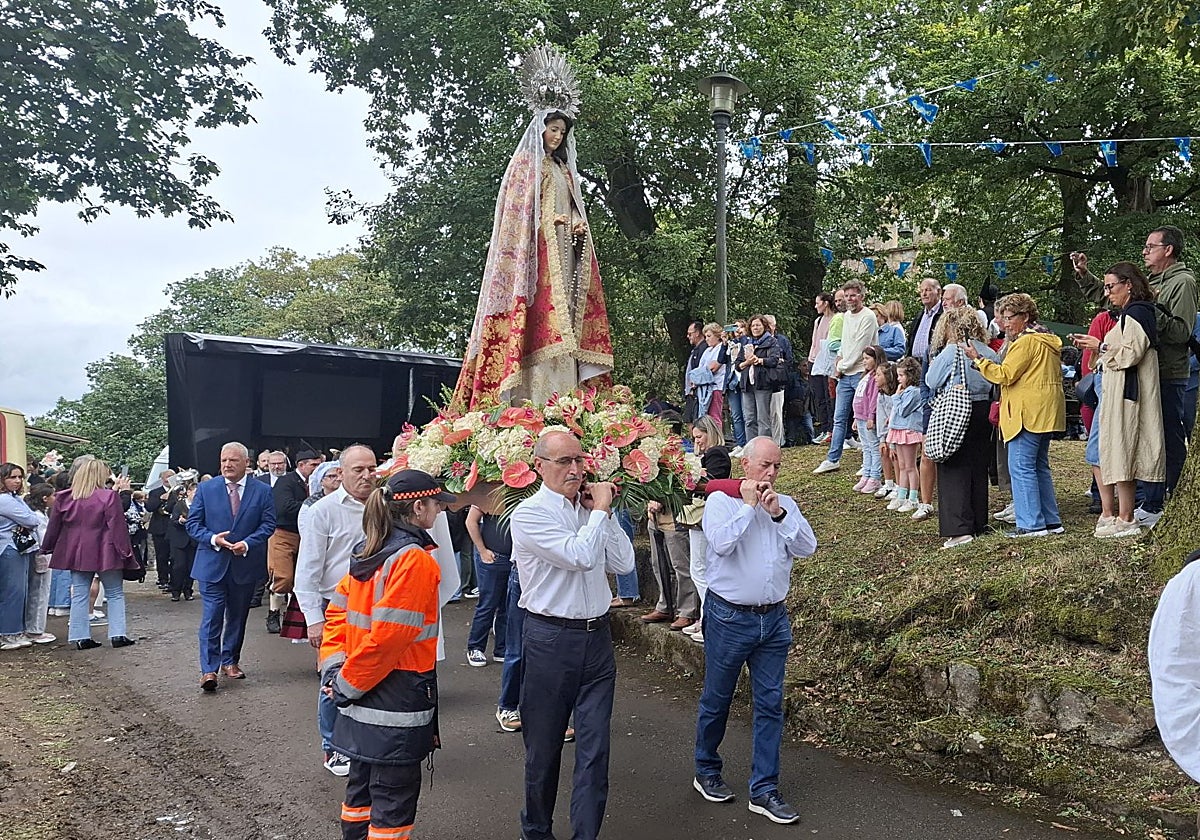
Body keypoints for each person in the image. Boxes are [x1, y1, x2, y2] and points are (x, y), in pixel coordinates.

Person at [453, 50, 613, 408]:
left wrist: (576, 225)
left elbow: (573, 207)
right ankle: (530, 398)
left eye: (562, 132)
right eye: (553, 129)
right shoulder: (526, 164)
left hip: (564, 258)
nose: (557, 136)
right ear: (540, 127)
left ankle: (565, 399)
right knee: (539, 317)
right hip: (536, 260)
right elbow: (517, 215)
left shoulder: (564, 170)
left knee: (565, 322)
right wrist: (545, 223)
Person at [511, 430, 634, 840]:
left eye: (579, 460)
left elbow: (622, 563)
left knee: (595, 750)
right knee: (543, 750)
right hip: (550, 638)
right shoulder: (529, 514)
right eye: (564, 461)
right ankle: (536, 830)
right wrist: (599, 511)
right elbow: (579, 556)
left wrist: (605, 515)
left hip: (597, 638)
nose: (576, 469)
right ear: (539, 466)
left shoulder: (589, 511)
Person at [320, 470, 450, 840]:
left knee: (360, 794)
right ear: (419, 507)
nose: (440, 511)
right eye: (437, 504)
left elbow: (338, 615)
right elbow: (390, 639)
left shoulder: (370, 551)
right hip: (396, 700)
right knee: (392, 805)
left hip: (360, 696)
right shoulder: (413, 560)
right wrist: (346, 685)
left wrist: (336, 673)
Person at [693, 437, 817, 824]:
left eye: (777, 466)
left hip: (773, 618)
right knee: (718, 697)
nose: (771, 473)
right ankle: (706, 769)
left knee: (770, 704)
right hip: (729, 617)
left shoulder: (785, 504)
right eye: (765, 465)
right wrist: (749, 507)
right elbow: (721, 544)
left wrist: (778, 514)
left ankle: (764, 789)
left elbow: (807, 547)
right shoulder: (720, 502)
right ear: (745, 465)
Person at [1072, 227, 1198, 525]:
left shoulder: (1183, 282)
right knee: (1143, 437)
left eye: (1150, 246)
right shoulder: (1149, 283)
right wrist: (1084, 276)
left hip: (1167, 372)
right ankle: (1148, 500)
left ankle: (1166, 501)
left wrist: (1147, 308)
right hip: (1142, 373)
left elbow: (1181, 332)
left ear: (1168, 249)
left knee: (1165, 436)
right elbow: (1113, 298)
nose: (1144, 251)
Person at [295, 444, 376, 777]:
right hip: (336, 609)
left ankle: (364, 742)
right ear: (341, 473)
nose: (367, 476)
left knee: (370, 676)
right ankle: (333, 747)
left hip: (377, 606)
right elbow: (307, 570)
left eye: (372, 469)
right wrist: (314, 620)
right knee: (334, 680)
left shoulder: (383, 506)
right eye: (358, 470)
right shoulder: (323, 511)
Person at [1070, 262, 1164, 538]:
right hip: (1121, 393)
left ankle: (1126, 517)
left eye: (1111, 286)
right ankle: (1121, 515)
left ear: (1129, 285)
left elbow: (1130, 354)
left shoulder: (1138, 313)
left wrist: (1098, 346)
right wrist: (1096, 348)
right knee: (1119, 451)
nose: (1107, 292)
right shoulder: (1129, 314)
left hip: (1128, 395)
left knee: (1124, 449)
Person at [963, 294, 1066, 537]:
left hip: (1026, 413)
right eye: (1003, 318)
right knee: (1038, 466)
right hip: (1045, 411)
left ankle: (1031, 524)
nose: (1005, 324)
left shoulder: (1025, 342)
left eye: (1009, 318)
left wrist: (978, 360)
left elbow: (1005, 375)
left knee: (1021, 467)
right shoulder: (1047, 339)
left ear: (1025, 316)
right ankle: (1050, 521)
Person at [186, 441, 276, 691]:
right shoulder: (206, 489)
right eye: (224, 460)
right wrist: (214, 539)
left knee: (237, 616)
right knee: (212, 616)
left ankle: (230, 661)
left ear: (246, 463)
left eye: (233, 460)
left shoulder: (262, 491)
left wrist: (247, 544)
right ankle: (208, 670)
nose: (227, 465)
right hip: (211, 564)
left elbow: (268, 525)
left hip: (244, 564)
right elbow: (193, 524)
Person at [42, 458, 139, 649]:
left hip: (76, 550)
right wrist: (126, 553)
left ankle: (80, 637)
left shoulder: (64, 497)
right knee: (115, 593)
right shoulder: (108, 496)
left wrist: (47, 547)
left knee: (80, 593)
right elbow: (117, 527)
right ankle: (118, 634)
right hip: (105, 549)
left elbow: (54, 526)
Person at [930, 307, 999, 548]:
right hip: (983, 410)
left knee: (953, 467)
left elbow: (931, 380)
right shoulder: (988, 351)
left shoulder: (951, 351)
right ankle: (979, 521)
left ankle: (959, 528)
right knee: (978, 467)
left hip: (957, 410)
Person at [814, 280, 879, 475]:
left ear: (862, 296)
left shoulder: (868, 317)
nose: (849, 299)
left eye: (853, 295)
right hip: (845, 374)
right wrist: (839, 361)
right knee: (839, 417)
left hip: (861, 372)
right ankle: (832, 458)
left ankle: (869, 462)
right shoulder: (846, 317)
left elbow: (861, 347)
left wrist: (841, 367)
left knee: (863, 418)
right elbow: (845, 343)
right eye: (847, 295)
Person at [679, 415, 732, 643]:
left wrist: (688, 479)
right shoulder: (710, 454)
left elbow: (712, 482)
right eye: (694, 438)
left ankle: (710, 620)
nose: (697, 442)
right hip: (702, 515)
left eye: (699, 437)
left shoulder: (716, 453)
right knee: (700, 569)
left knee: (699, 569)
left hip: (704, 515)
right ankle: (704, 617)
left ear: (710, 433)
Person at [266, 449, 322, 634]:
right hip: (284, 534)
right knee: (284, 577)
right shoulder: (286, 482)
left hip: (309, 535)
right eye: (313, 465)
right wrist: (313, 507)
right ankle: (273, 613)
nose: (317, 468)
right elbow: (284, 507)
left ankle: (296, 617)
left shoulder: (319, 482)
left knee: (303, 578)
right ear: (301, 465)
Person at [464, 504, 512, 667]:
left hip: (514, 559)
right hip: (493, 556)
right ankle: (475, 647)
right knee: (487, 605)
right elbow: (471, 521)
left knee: (508, 606)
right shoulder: (488, 495)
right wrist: (482, 550)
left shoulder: (527, 493)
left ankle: (501, 649)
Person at [0, 464, 40, 649]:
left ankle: (15, 630)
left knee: (19, 590)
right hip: (9, 548)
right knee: (13, 591)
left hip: (18, 548)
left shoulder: (14, 498)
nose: (17, 481)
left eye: (19, 477)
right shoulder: (4, 500)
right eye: (12, 477)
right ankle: (9, 633)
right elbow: (31, 520)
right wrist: (26, 520)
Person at [885, 358, 926, 514]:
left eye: (901, 375)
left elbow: (903, 410)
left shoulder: (914, 392)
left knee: (910, 466)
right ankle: (902, 495)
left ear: (910, 375)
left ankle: (913, 498)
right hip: (899, 429)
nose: (898, 379)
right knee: (902, 465)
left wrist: (896, 396)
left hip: (908, 430)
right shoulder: (905, 391)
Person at [737, 315, 784, 441]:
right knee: (749, 419)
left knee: (763, 419)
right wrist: (746, 362)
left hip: (763, 383)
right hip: (747, 384)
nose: (755, 328)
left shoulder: (771, 341)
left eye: (758, 325)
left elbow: (774, 360)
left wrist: (759, 360)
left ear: (764, 326)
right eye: (753, 325)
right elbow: (738, 364)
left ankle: (764, 446)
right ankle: (751, 446)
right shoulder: (746, 343)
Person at [22, 483, 55, 644]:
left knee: (37, 591)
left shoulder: (38, 513)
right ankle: (35, 629)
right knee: (40, 592)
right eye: (52, 495)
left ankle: (33, 627)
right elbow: (43, 539)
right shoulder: (38, 517)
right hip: (41, 556)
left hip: (40, 555)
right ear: (44, 498)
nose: (55, 498)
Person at [852, 345, 886, 495]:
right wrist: (856, 417)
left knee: (873, 446)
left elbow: (873, 399)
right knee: (866, 447)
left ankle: (875, 477)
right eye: (863, 358)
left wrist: (871, 416)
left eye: (867, 358)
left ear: (876, 359)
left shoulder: (874, 378)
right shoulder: (865, 376)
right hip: (860, 417)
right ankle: (866, 473)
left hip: (868, 418)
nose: (864, 361)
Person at [808, 294, 836, 440]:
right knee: (819, 397)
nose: (815, 306)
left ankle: (832, 429)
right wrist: (811, 358)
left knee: (829, 395)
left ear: (825, 303)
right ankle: (824, 429)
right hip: (816, 361)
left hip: (829, 361)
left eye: (817, 303)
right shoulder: (818, 320)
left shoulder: (836, 319)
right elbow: (814, 341)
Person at [168, 476, 198, 601]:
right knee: (178, 566)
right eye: (195, 493)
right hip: (180, 540)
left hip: (193, 541)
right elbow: (173, 521)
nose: (196, 496)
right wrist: (180, 521)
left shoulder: (199, 506)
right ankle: (176, 590)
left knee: (191, 567)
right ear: (188, 492)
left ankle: (188, 590)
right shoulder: (179, 505)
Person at [145, 469, 175, 590]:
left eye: (171, 476)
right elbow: (149, 507)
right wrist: (161, 498)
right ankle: (163, 579)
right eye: (166, 476)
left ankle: (175, 581)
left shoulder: (179, 491)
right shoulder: (155, 492)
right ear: (162, 479)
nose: (168, 479)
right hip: (160, 528)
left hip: (175, 528)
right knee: (162, 556)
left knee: (175, 556)